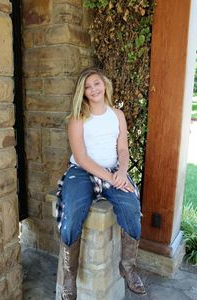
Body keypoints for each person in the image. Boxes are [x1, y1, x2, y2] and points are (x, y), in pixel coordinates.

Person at [56, 67, 146, 299]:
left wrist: (123, 172)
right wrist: (110, 178)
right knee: (73, 211)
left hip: (114, 170)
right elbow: (83, 157)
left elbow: (123, 148)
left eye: (96, 83)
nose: (93, 89)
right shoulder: (77, 118)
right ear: (83, 92)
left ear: (104, 84)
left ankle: (128, 268)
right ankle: (69, 277)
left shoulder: (117, 115)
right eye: (87, 86)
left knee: (131, 206)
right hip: (82, 172)